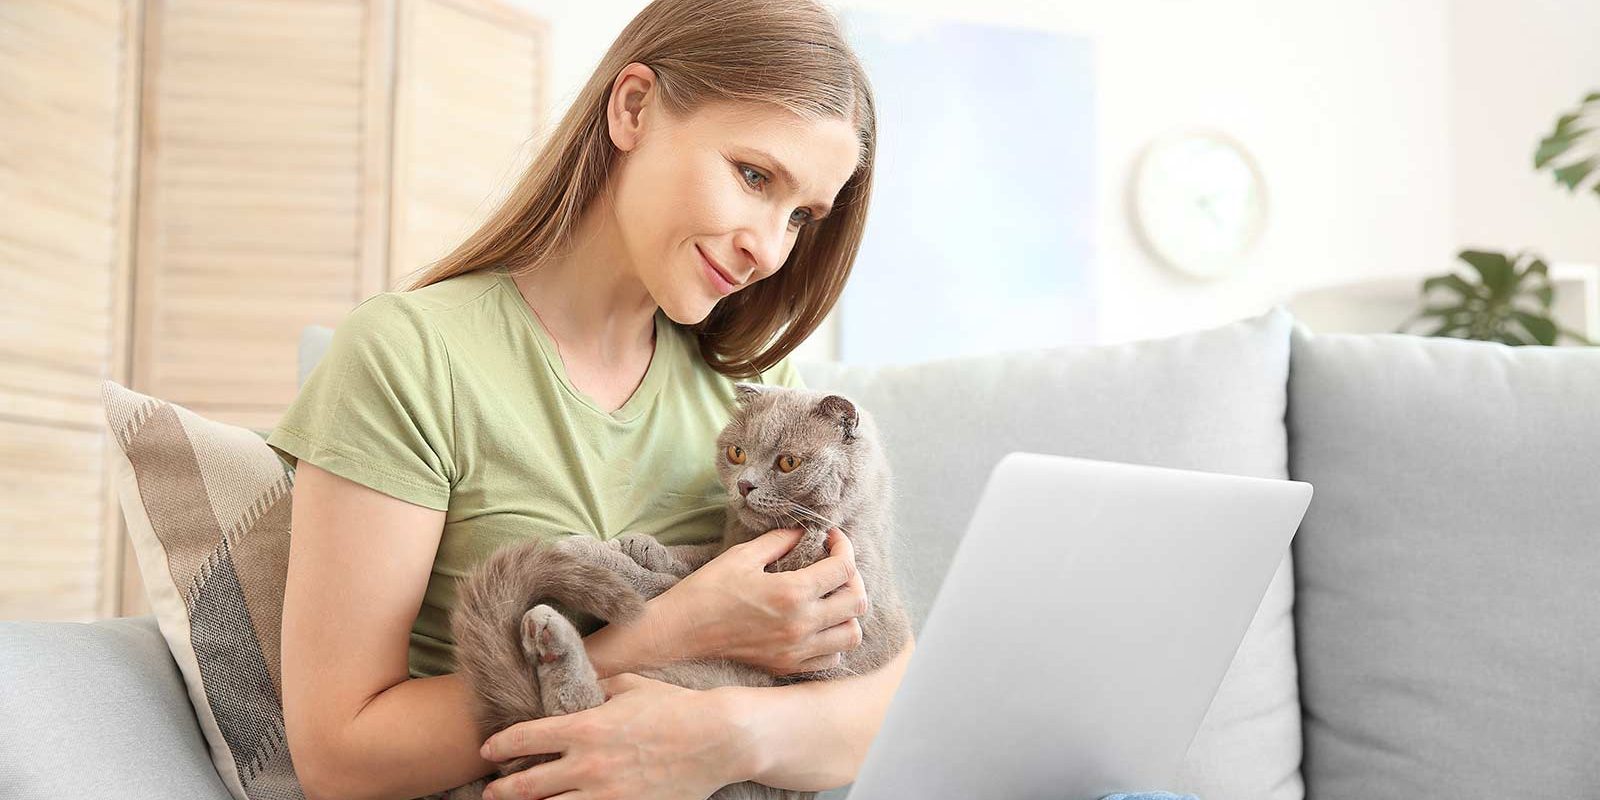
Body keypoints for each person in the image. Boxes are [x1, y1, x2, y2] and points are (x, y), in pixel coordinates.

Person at [267, 1, 905, 799]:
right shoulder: (410, 358)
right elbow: (340, 756)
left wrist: (725, 738)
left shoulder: (761, 398)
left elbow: (889, 691)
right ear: (633, 107)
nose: (769, 249)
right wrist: (668, 631)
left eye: (801, 216)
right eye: (752, 175)